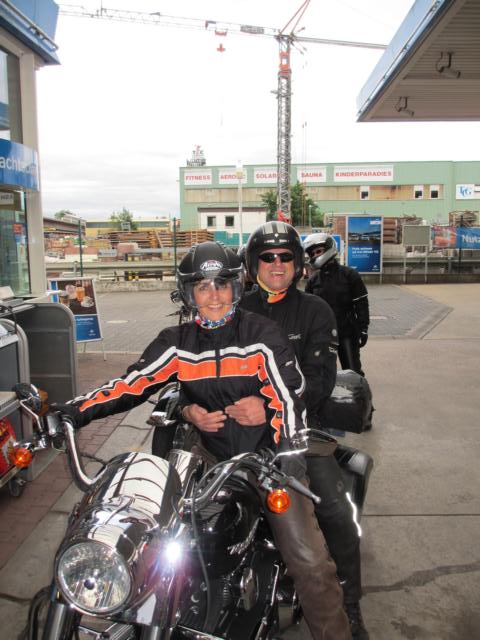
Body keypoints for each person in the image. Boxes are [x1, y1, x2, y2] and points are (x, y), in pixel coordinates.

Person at [55, 241, 351, 640]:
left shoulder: (261, 334)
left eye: (222, 285)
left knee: (309, 562)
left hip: (264, 456)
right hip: (206, 457)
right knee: (162, 538)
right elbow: (130, 385)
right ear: (188, 293)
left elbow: (288, 398)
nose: (213, 296)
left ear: (235, 287)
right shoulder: (177, 341)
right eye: (202, 286)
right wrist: (72, 411)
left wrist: (287, 459)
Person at [232, 222, 368, 639]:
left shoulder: (315, 310)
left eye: (285, 256)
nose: (277, 264)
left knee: (336, 512)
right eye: (267, 257)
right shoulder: (234, 308)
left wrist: (268, 406)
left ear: (298, 264)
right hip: (239, 432)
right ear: (253, 263)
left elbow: (320, 379)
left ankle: (348, 603)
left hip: (301, 432)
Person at [304, 233, 370, 377]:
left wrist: (363, 328)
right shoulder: (313, 281)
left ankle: (357, 391)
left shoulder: (349, 275)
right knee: (322, 375)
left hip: (347, 332)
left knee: (352, 372)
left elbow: (361, 304)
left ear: (329, 248)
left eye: (318, 251)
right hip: (322, 335)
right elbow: (308, 311)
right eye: (312, 253)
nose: (315, 255)